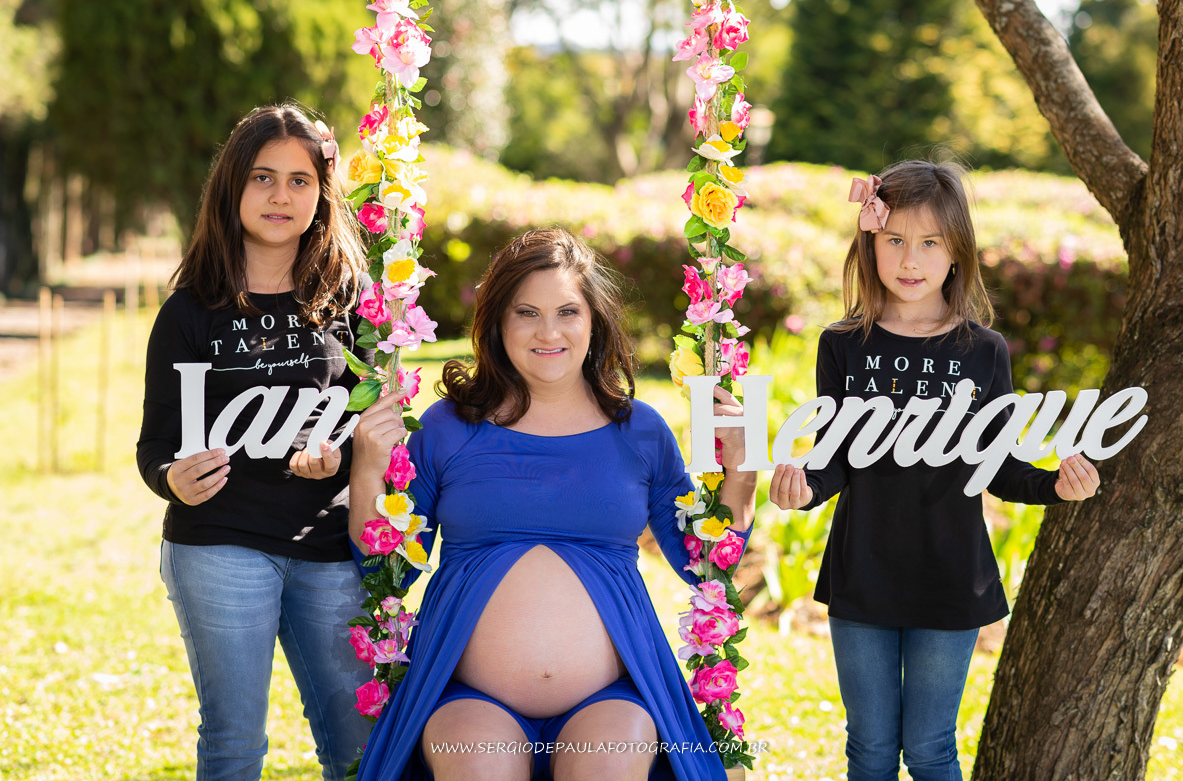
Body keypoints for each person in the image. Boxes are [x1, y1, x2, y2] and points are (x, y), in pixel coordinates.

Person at [348, 228, 756, 781]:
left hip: (607, 701)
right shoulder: (448, 428)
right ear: (498, 322)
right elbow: (387, 567)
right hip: (472, 700)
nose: (549, 332)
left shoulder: (639, 432)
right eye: (526, 313)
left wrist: (743, 475)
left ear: (594, 322)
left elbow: (706, 564)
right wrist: (369, 465)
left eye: (568, 311)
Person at [769, 161, 1101, 781]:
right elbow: (835, 457)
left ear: (957, 253)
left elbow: (996, 464)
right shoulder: (844, 344)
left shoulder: (982, 350)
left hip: (950, 575)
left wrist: (1054, 484)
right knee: (867, 747)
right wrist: (803, 488)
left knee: (929, 750)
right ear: (870, 245)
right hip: (862, 570)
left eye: (929, 243)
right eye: (894, 240)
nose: (909, 258)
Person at [136, 103, 375, 781]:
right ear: (232, 187)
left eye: (301, 180)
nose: (281, 196)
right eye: (263, 177)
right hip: (219, 543)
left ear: (321, 193)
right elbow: (154, 444)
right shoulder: (189, 311)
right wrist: (172, 476)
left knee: (357, 747)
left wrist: (342, 455)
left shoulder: (349, 304)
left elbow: (374, 423)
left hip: (328, 548)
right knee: (236, 743)